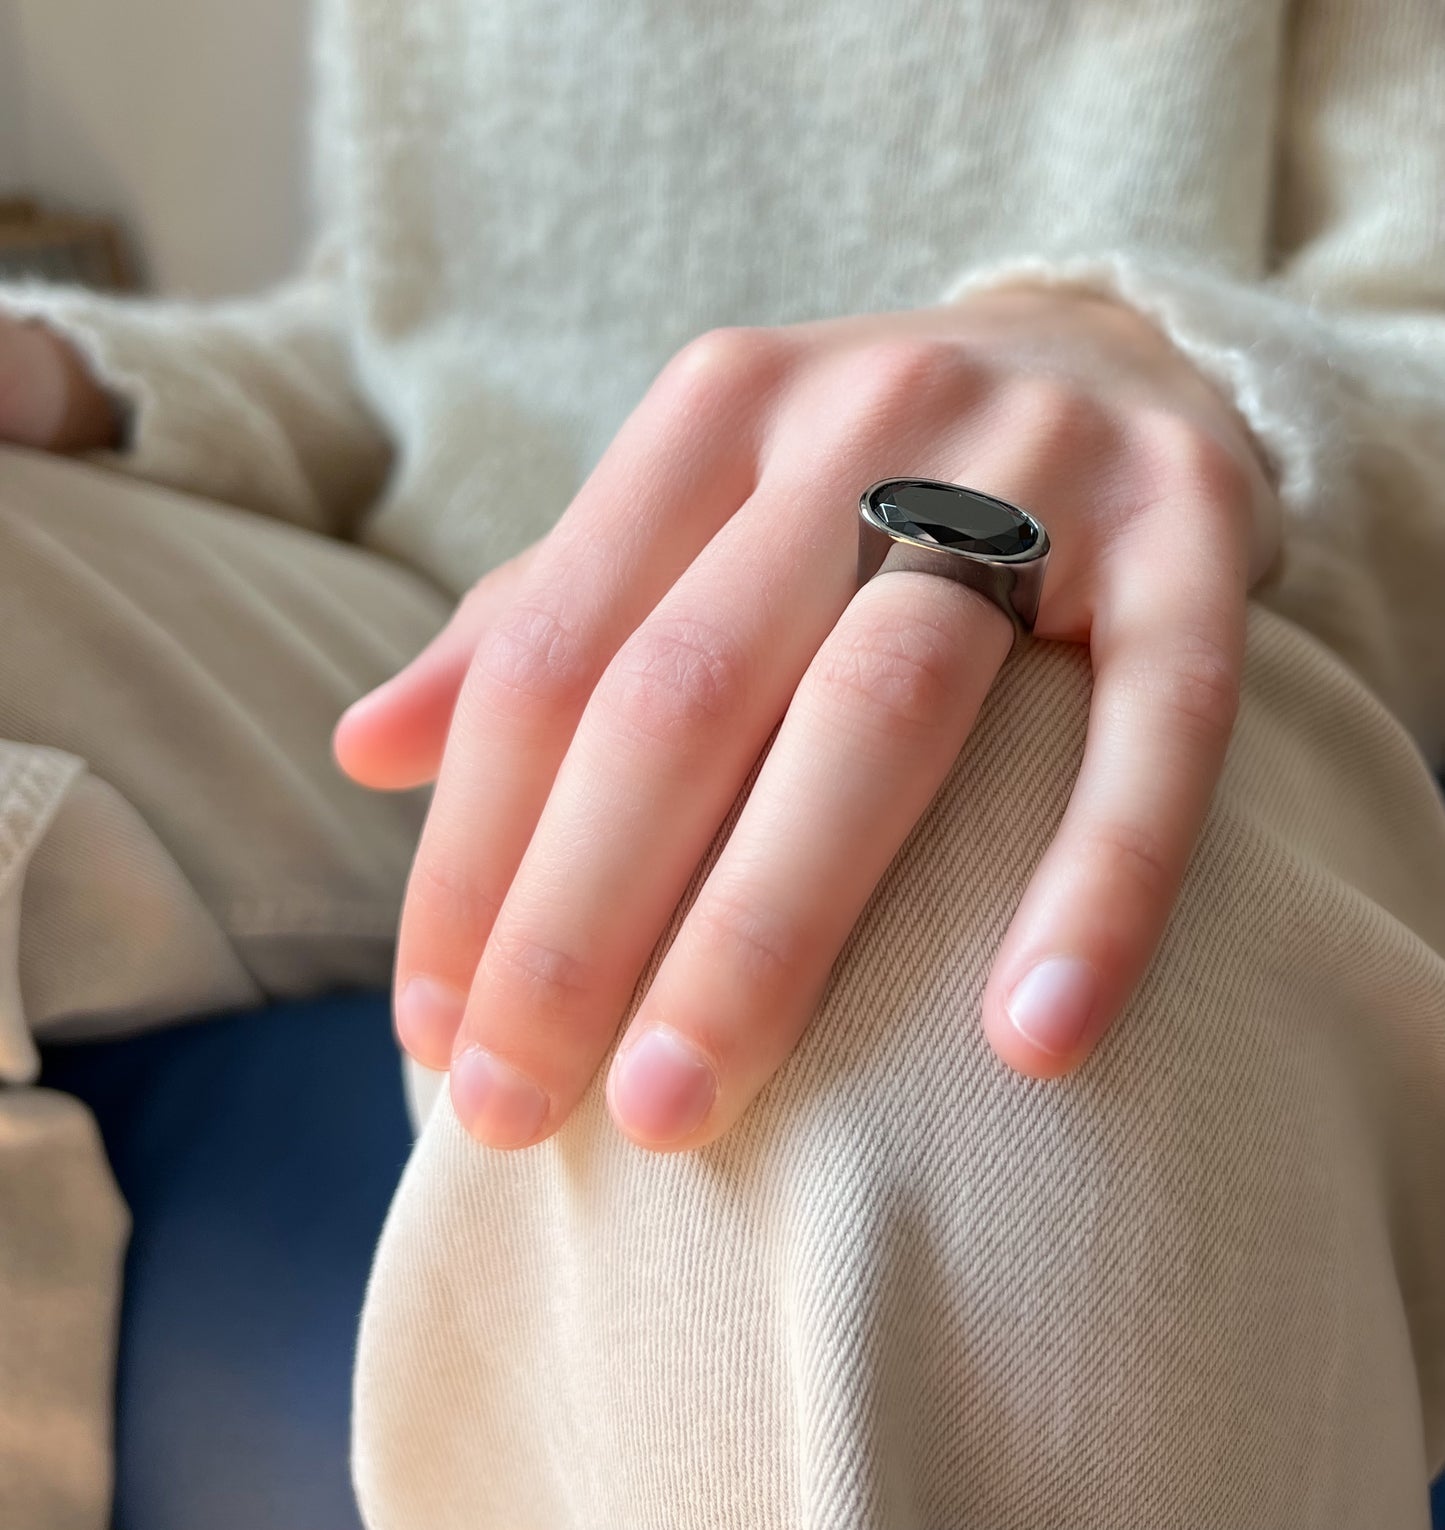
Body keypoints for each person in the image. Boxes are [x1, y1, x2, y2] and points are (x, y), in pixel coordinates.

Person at [1, 0, 1443, 1523]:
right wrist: (72, 364)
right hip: (428, 630)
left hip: (1121, 558)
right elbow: (406, 335)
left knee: (941, 802)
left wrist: (1148, 348)